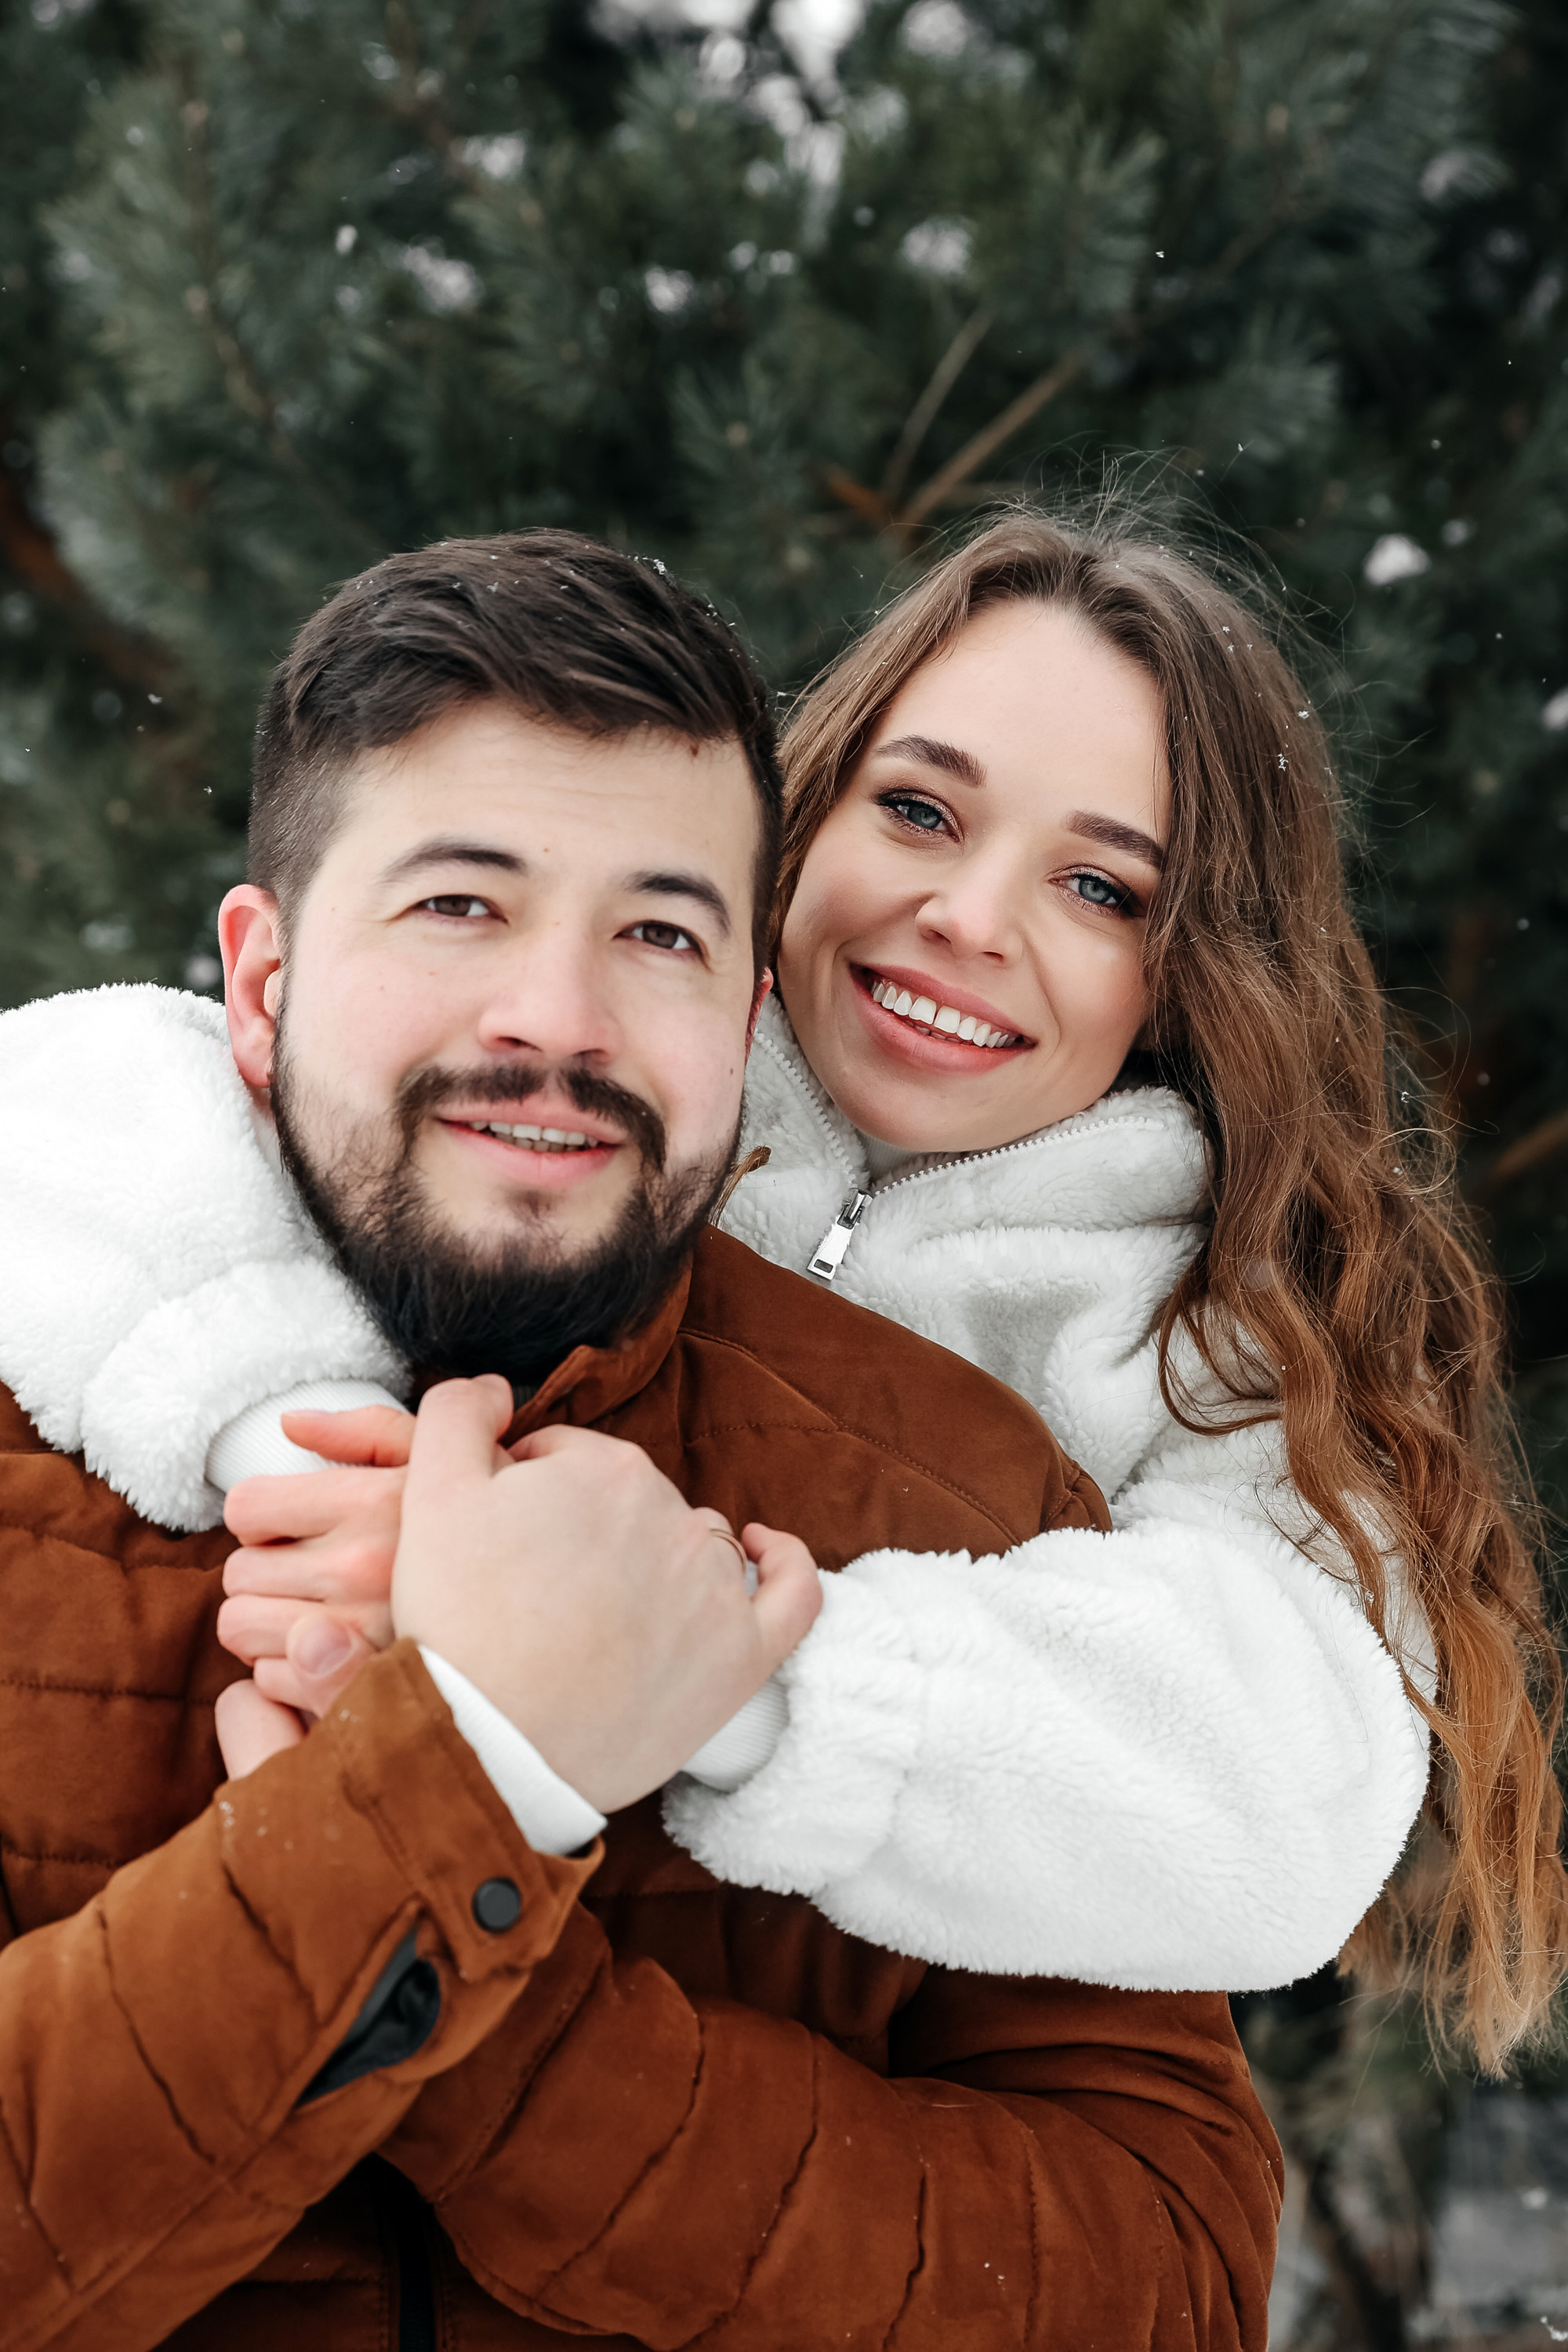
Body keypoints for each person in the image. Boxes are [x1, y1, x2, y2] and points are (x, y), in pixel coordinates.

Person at [10, 509, 1560, 2067]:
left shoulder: (1205, 1337)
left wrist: (699, 1661)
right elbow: (84, 1093)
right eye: (921, 811)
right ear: (806, 818)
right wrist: (315, 1454)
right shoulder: (587, 1090)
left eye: (1100, 888)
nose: (969, 919)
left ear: (1187, 968)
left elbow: (1285, 1791)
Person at [0, 529, 1281, 2350]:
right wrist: (479, 1788)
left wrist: (488, 1949)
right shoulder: (25, 1413)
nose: (557, 1019)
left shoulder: (961, 1492)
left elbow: (1167, 2281)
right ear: (263, 983)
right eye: (461, 905)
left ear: (745, 1011)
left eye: (660, 933)